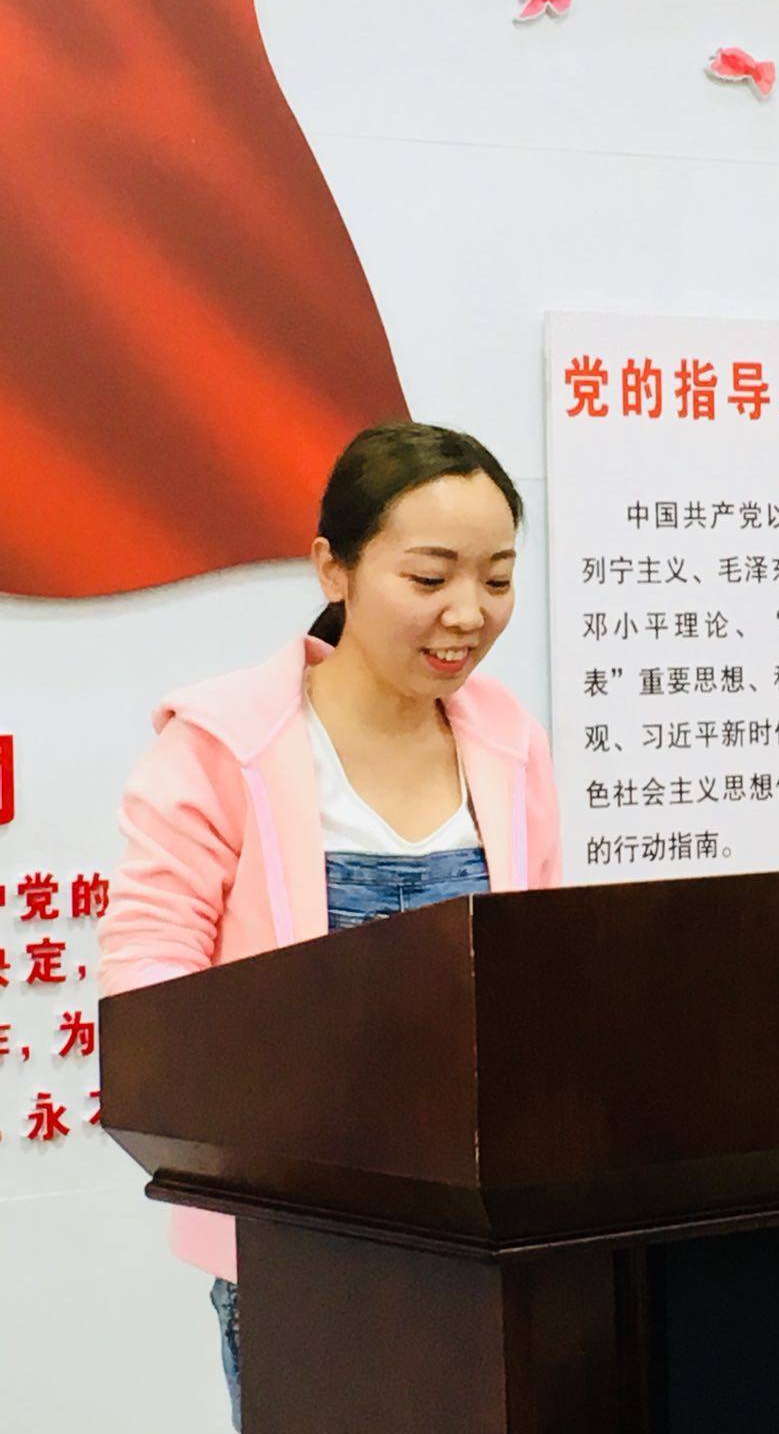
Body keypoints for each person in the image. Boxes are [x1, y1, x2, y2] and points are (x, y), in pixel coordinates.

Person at [97, 421, 562, 1431]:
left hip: (488, 1239)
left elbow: (542, 975)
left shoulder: (512, 743)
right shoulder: (224, 744)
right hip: (295, 1244)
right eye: (430, 577)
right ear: (334, 568)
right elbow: (150, 986)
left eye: (496, 578)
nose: (468, 613)